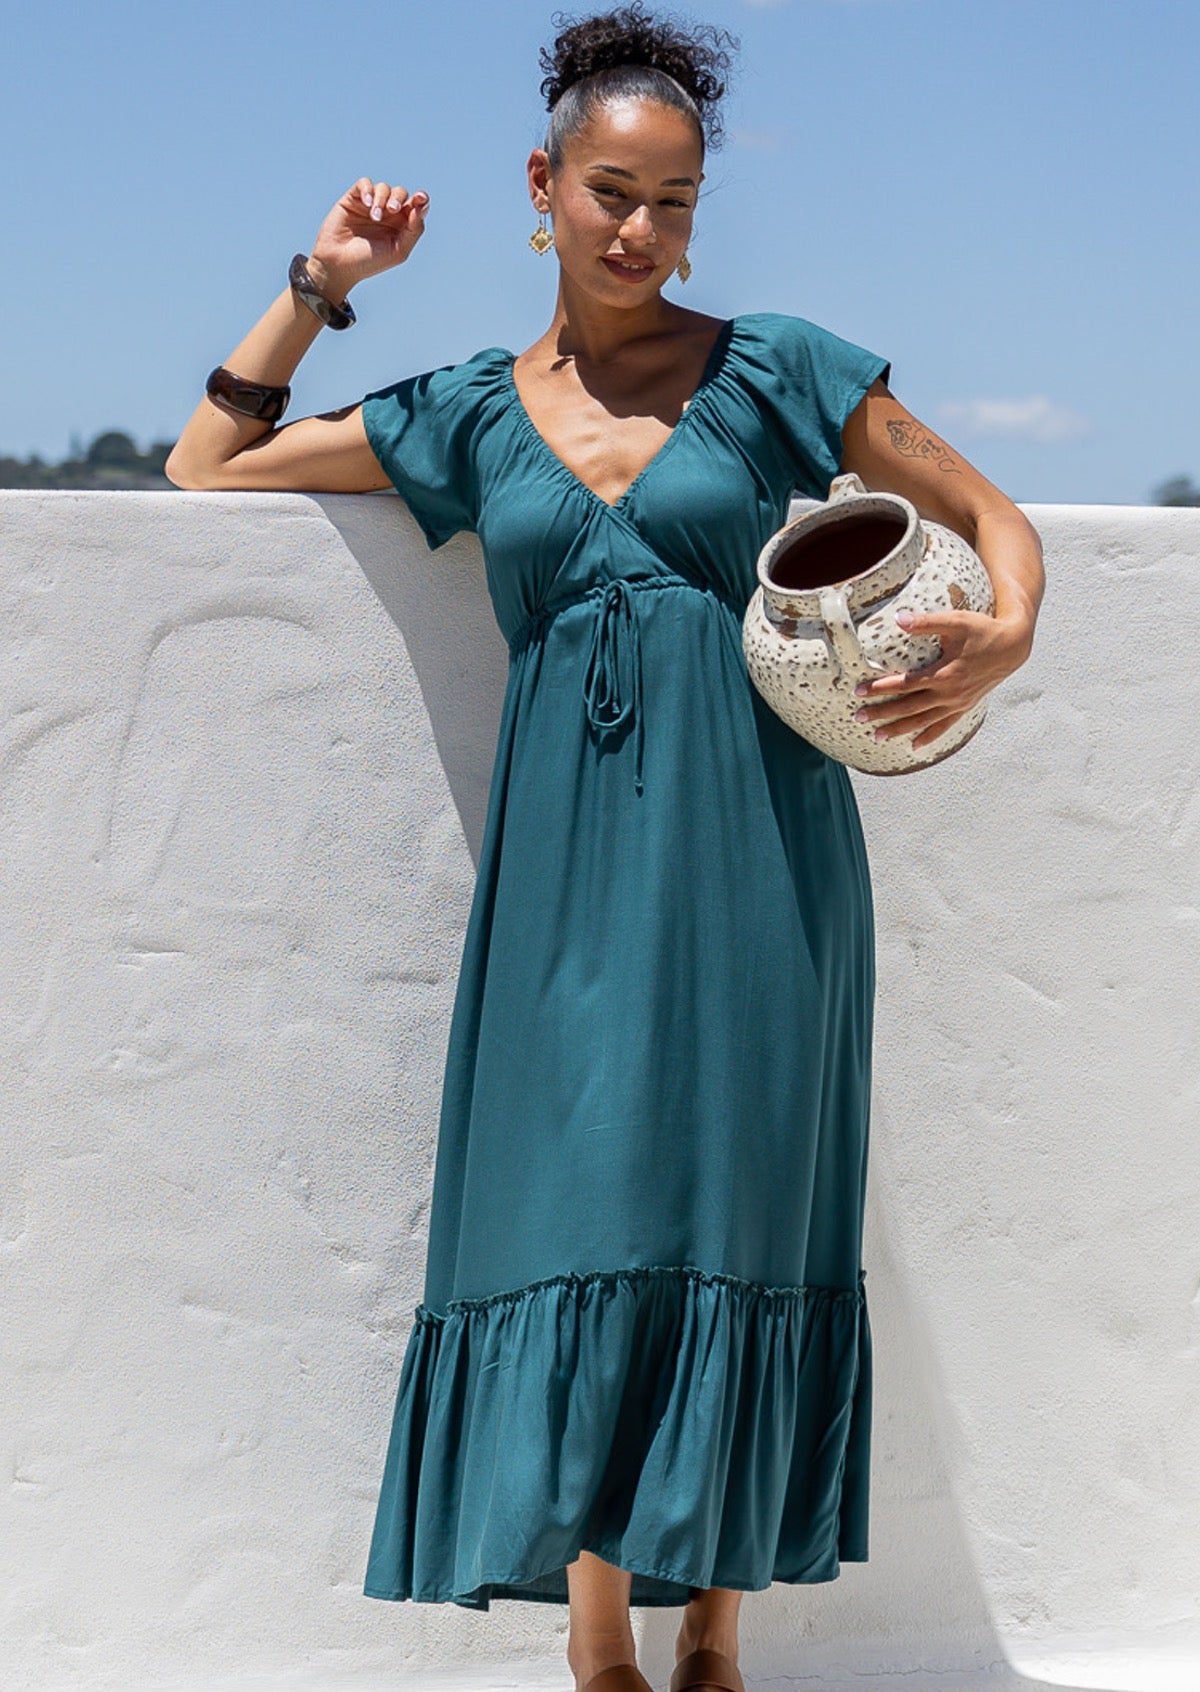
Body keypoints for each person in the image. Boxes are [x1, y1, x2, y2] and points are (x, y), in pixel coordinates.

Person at [166, 5, 1044, 1689]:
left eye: (675, 202)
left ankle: (713, 1629)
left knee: (740, 1206)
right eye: (611, 194)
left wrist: (1002, 632)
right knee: (577, 1200)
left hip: (763, 853)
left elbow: (990, 519)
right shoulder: (473, 417)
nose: (640, 231)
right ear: (543, 185)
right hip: (565, 873)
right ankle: (596, 1633)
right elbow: (211, 462)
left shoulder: (775, 365)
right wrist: (326, 277)